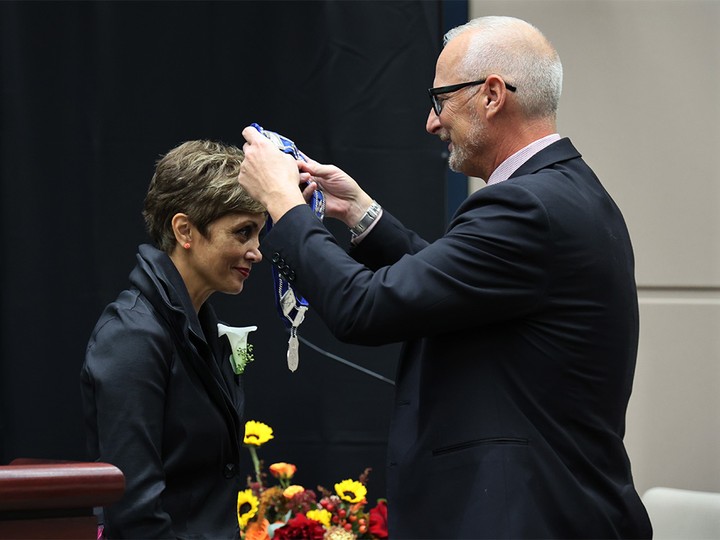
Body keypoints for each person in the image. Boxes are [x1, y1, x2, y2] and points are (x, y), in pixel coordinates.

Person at [236, 15, 653, 539]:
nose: (431, 123)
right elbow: (452, 288)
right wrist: (360, 213)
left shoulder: (526, 207)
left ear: (492, 95)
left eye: (440, 100)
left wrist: (283, 203)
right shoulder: (564, 193)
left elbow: (361, 307)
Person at [80, 140, 266, 538]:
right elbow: (133, 511)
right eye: (243, 233)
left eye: (258, 234)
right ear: (185, 230)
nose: (256, 252)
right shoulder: (132, 336)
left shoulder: (194, 325)